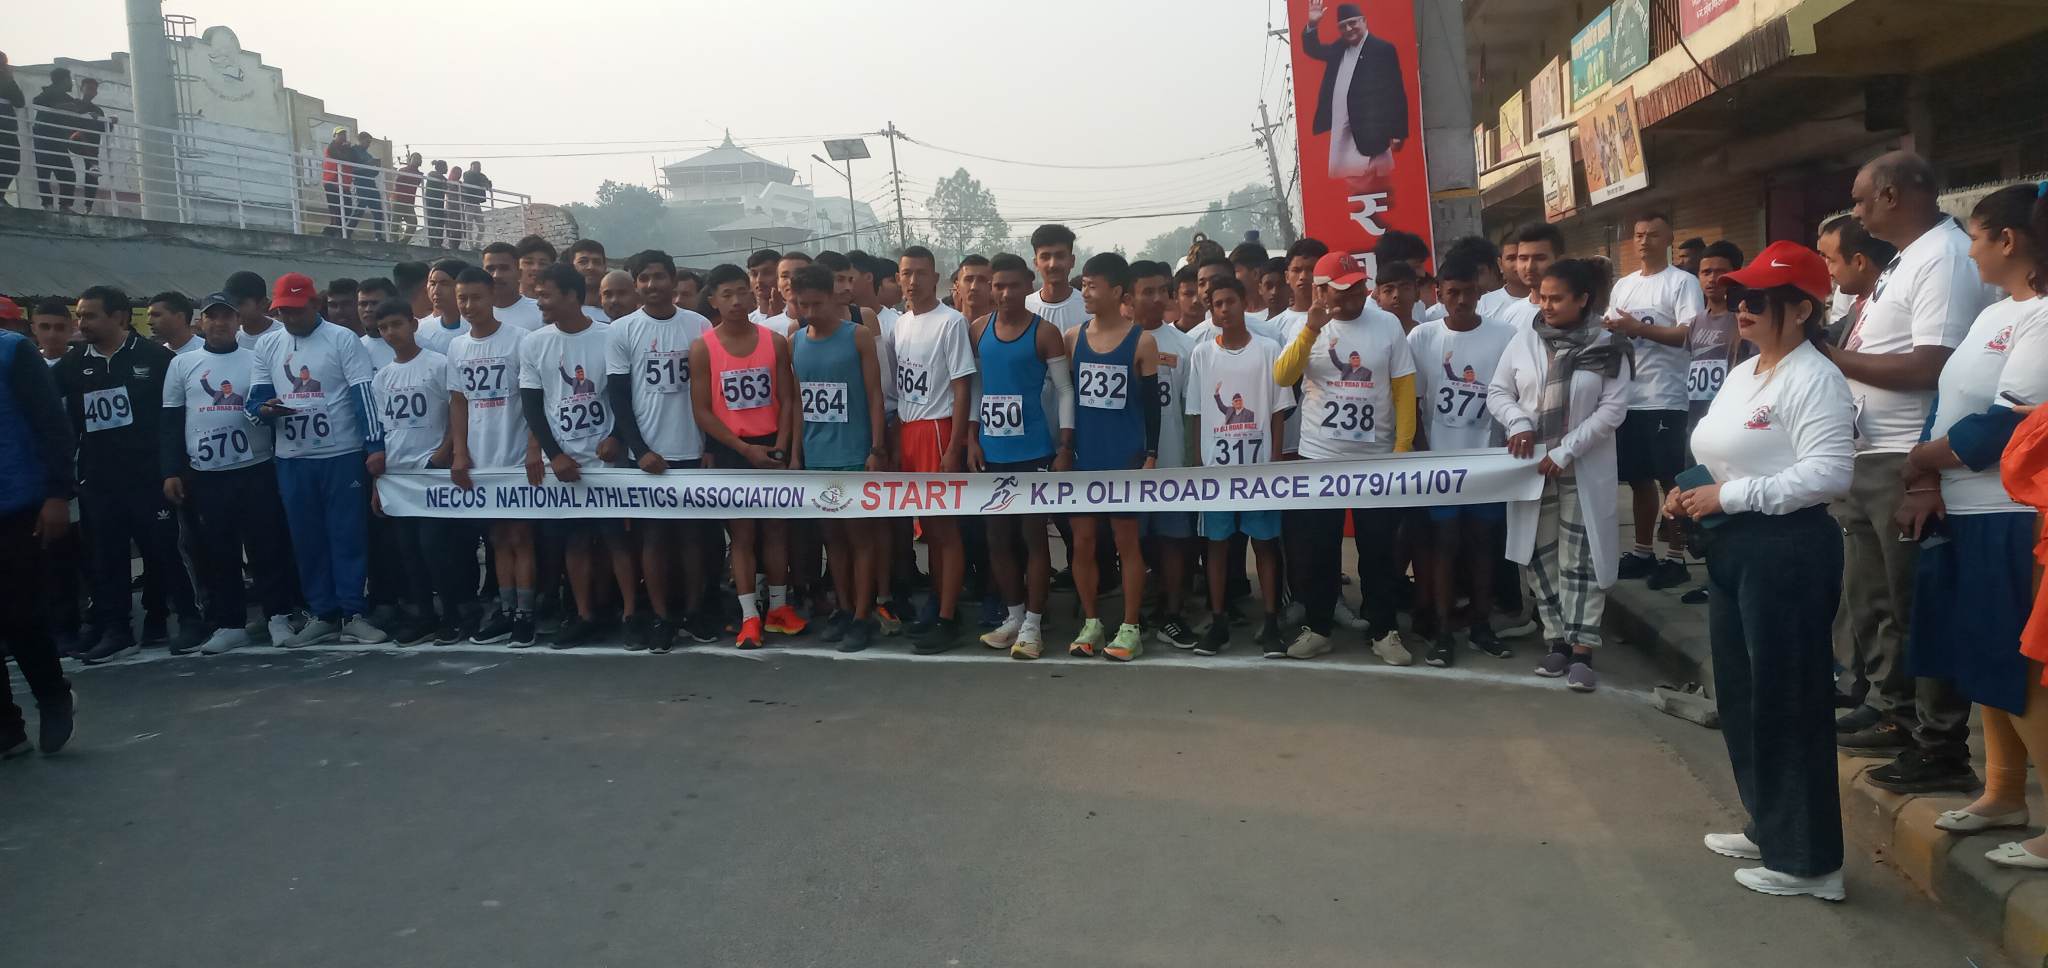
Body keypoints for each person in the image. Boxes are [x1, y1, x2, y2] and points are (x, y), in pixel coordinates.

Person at [1673, 240, 1857, 901]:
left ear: (1802, 310)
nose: (1740, 307)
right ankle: (1771, 825)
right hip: (1735, 546)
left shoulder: (1816, 378)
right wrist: (1691, 492)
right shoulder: (1747, 371)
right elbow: (1725, 451)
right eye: (1737, 296)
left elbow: (1829, 473)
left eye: (1757, 299)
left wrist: (1730, 495)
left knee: (1789, 699)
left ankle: (1811, 863)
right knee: (1744, 695)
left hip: (1788, 551)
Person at [1827, 151, 1998, 793]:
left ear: (1893, 195)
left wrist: (1832, 357)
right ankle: (1893, 712)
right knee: (1874, 600)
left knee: (1915, 603)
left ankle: (1938, 739)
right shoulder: (1906, 258)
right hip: (1870, 453)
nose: (1855, 210)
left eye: (1861, 197)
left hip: (1909, 457)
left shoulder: (1945, 258)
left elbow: (1934, 365)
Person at [1903, 188, 2048, 844]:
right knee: (1983, 662)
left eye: (1978, 237)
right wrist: (1925, 474)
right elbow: (1948, 401)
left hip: (2010, 515)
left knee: (2019, 668)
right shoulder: (1996, 312)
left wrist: (1920, 457)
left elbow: (2005, 428)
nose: (1970, 252)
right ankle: (2003, 795)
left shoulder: (2041, 318)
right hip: (1965, 509)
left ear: (2009, 240)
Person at [1487, 258, 1633, 693]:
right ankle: (1556, 641)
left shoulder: (1609, 344)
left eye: (1556, 299)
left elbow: (1613, 409)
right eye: (1543, 298)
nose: (1546, 306)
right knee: (1541, 554)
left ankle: (1583, 649)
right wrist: (1519, 423)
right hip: (1533, 466)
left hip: (1582, 465)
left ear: (1583, 299)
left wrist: (1567, 450)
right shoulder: (1524, 340)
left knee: (1580, 558)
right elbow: (1498, 391)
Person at [1276, 250, 1416, 663]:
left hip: (1375, 457)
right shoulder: (1306, 327)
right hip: (1321, 455)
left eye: (1357, 287)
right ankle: (1318, 627)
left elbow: (1404, 387)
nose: (1353, 296)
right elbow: (1283, 376)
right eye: (1342, 290)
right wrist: (1310, 330)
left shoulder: (1386, 324)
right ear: (1320, 291)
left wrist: (1402, 449)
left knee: (1378, 548)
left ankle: (1383, 630)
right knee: (1320, 548)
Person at [53, 285, 203, 661]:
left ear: (119, 317)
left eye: (90, 316)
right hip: (98, 480)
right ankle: (116, 629)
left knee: (166, 551)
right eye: (80, 316)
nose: (82, 323)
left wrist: (173, 469)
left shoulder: (156, 358)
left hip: (149, 477)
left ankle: (190, 618)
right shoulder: (73, 364)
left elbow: (175, 417)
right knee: (106, 558)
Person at [245, 272, 387, 647]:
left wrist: (374, 445)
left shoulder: (342, 339)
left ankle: (353, 612)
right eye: (283, 311)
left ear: (314, 304)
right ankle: (323, 613)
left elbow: (363, 394)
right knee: (306, 538)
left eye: (296, 309)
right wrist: (265, 411)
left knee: (346, 534)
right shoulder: (268, 345)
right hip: (292, 457)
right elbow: (254, 402)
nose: (290, 317)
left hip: (340, 453)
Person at [161, 291, 297, 654]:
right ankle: (230, 623)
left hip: (255, 469)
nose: (219, 323)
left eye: (226, 316)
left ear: (238, 321)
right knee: (217, 551)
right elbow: (171, 420)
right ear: (201, 322)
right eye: (212, 316)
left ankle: (278, 616)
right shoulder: (182, 364)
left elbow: (271, 405)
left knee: (267, 546)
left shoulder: (256, 360)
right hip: (207, 474)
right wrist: (171, 470)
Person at [514, 264, 634, 646]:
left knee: (617, 541)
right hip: (566, 463)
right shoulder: (534, 343)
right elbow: (532, 405)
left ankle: (631, 614)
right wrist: (554, 454)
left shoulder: (609, 336)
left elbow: (624, 394)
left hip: (608, 461)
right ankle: (584, 615)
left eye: (546, 295)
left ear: (571, 295)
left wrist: (617, 437)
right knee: (576, 541)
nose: (539, 302)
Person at [606, 249, 717, 650]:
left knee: (692, 537)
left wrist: (710, 446)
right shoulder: (622, 331)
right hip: (648, 455)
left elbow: (712, 390)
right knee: (653, 538)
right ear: (636, 285)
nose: (652, 285)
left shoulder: (699, 324)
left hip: (692, 446)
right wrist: (639, 450)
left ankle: (693, 610)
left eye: (659, 276)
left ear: (673, 280)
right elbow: (619, 398)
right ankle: (661, 616)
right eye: (644, 278)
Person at [1408, 256, 1517, 664]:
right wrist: (1423, 455)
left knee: (1483, 544)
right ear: (1439, 293)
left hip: (1487, 461)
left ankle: (1481, 624)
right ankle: (1442, 628)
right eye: (1452, 293)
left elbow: (1514, 394)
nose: (1461, 300)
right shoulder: (1423, 337)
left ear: (1479, 293)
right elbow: (1414, 402)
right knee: (1445, 543)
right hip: (1441, 463)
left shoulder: (1505, 335)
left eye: (1468, 292)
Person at [690, 262, 800, 649]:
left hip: (772, 446)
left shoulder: (775, 342)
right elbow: (703, 410)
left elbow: (787, 399)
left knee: (776, 530)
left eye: (742, 291)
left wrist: (781, 445)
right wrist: (743, 449)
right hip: (733, 450)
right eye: (727, 295)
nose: (737, 301)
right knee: (742, 534)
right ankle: (749, 616)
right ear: (713, 301)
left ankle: (779, 608)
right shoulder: (703, 347)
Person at [1063, 253, 1160, 661]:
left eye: (1093, 285)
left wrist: (1151, 455)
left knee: (1127, 543)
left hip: (1125, 459)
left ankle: (1130, 625)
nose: (1085, 292)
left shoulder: (1142, 341)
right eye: (1083, 284)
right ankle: (1091, 622)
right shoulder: (1072, 338)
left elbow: (1153, 407)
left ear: (1117, 290)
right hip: (1085, 457)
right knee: (1083, 542)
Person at [788, 264, 889, 651]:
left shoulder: (857, 336)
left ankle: (864, 615)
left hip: (854, 453)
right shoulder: (795, 342)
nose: (810, 311)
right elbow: (798, 403)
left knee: (860, 538)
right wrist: (796, 455)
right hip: (817, 456)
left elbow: (875, 395)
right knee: (833, 540)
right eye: (803, 305)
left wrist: (876, 448)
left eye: (816, 303)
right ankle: (844, 609)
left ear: (832, 297)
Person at [1605, 213, 1708, 591]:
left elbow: (1688, 335)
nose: (1644, 241)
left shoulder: (1682, 282)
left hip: (1666, 395)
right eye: (1638, 234)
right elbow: (1612, 329)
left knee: (1671, 479)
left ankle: (1676, 557)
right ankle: (1642, 550)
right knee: (1638, 479)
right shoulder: (1624, 285)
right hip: (1629, 397)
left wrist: (1638, 328)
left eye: (1652, 234)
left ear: (1668, 239)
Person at [1186, 276, 1289, 655]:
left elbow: (1278, 410)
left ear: (1244, 303)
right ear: (1211, 311)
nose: (1224, 309)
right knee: (1217, 546)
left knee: (1264, 544)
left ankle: (1272, 621)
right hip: (1218, 471)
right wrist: (1199, 463)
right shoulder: (1202, 354)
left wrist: (1274, 458)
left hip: (1258, 468)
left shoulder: (1268, 349)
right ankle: (1218, 622)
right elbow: (1197, 412)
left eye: (1230, 301)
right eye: (1217, 304)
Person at [363, 299, 468, 645]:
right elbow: (385, 431)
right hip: (398, 476)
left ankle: (453, 614)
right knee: (408, 552)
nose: (391, 333)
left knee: (435, 547)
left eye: (397, 324)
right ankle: (424, 615)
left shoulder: (438, 364)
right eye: (384, 328)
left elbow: (457, 412)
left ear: (413, 324)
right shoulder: (382, 378)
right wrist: (378, 484)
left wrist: (443, 454)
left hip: (431, 472)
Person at [890, 245, 977, 652]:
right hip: (909, 430)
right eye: (906, 273)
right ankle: (938, 604)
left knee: (945, 529)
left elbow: (962, 388)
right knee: (927, 529)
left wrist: (955, 445)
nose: (912, 281)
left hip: (938, 430)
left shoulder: (951, 322)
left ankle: (946, 614)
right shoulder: (900, 324)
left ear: (935, 277)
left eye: (920, 273)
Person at [446, 267, 537, 647]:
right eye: (462, 298)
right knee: (497, 537)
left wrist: (533, 447)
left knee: (521, 535)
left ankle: (526, 615)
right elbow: (458, 402)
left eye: (476, 297)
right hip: (481, 459)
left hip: (515, 455)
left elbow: (534, 400)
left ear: (492, 297)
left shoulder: (520, 339)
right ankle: (506, 608)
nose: (469, 305)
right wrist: (460, 452)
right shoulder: (457, 347)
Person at [0, 314, 77, 757]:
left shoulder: (12, 351)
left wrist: (57, 494)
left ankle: (53, 695)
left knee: (20, 614)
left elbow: (53, 425)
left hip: (18, 503)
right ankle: (7, 729)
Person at [1130, 260, 1200, 648]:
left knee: (1173, 540)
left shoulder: (1184, 346)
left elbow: (1192, 410)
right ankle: (1134, 614)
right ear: (1129, 296)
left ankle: (1172, 615)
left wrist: (1192, 462)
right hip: (1128, 465)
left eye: (1163, 290)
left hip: (1172, 464)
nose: (1157, 298)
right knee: (1133, 542)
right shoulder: (1115, 342)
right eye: (1148, 291)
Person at [1300, 0, 1407, 190]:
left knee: (1378, 183)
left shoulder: (1382, 49)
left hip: (1372, 129)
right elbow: (1313, 49)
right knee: (1346, 185)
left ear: (1364, 21)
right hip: (1342, 129)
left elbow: (1395, 91)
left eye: (1352, 23)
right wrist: (1313, 24)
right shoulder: (1339, 48)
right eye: (1343, 26)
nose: (1348, 29)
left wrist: (1398, 132)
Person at [31, 68, 82, 212]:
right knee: (44, 172)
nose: (71, 83)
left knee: (68, 174)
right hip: (44, 138)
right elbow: (36, 101)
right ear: (64, 80)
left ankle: (64, 205)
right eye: (70, 79)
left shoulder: (66, 97)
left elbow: (78, 109)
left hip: (59, 140)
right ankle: (48, 204)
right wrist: (59, 107)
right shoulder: (49, 92)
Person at [1502, 224, 1565, 329]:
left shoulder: (1576, 312)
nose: (1529, 267)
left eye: (1540, 258)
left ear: (1560, 261)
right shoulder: (1510, 314)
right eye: (1523, 258)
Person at [1026, 224, 1087, 331]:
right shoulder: (1024, 307)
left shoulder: (1089, 309)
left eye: (1060, 256)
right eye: (1045, 257)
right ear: (1036, 263)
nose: (1053, 264)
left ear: (1072, 261)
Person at [481, 242, 543, 332]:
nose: (496, 275)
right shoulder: (471, 313)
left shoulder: (541, 312)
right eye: (490, 269)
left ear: (519, 273)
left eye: (504, 268)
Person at [416, 258, 472, 355]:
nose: (436, 291)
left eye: (444, 284)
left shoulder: (478, 328)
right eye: (433, 283)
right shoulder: (421, 331)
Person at [355, 277, 401, 372]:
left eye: (375, 303)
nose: (368, 309)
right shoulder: (355, 347)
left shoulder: (417, 345)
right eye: (363, 304)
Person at [225, 270, 278, 349]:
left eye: (240, 303)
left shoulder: (284, 335)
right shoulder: (228, 338)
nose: (234, 309)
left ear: (263, 303)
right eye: (230, 303)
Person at [347, 132, 385, 241]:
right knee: (360, 207)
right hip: (360, 182)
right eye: (367, 142)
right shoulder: (353, 151)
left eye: (370, 142)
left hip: (370, 183)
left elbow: (373, 173)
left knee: (378, 210)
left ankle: (378, 236)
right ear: (361, 140)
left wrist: (376, 167)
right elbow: (352, 169)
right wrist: (368, 165)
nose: (368, 144)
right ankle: (348, 231)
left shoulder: (368, 155)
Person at [565, 239, 612, 322]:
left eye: (597, 262)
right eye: (583, 262)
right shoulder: (561, 309)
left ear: (605, 267)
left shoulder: (616, 308)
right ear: (571, 266)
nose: (590, 267)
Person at [0, 52, 24, 206]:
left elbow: (19, 101)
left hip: (7, 129)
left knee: (13, 163)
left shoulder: (6, 80)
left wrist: (10, 79)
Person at [320, 127, 352, 236]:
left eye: (344, 134)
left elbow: (349, 158)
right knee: (335, 209)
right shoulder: (332, 147)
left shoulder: (345, 149)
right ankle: (334, 231)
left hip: (343, 184)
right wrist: (347, 148)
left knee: (347, 209)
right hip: (331, 182)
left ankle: (335, 231)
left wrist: (347, 149)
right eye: (340, 135)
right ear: (334, 136)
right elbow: (341, 157)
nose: (343, 137)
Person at [149, 291, 202, 355]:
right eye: (149, 316)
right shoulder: (156, 354)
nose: (149, 322)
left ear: (180, 317)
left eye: (156, 315)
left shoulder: (205, 350)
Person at [1230, 241, 1271, 320]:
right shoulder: (1227, 313)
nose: (1230, 277)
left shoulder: (1278, 314)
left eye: (1235, 271)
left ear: (1255, 274)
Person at [745, 248, 784, 323]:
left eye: (767, 273)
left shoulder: (797, 318)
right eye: (754, 274)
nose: (759, 280)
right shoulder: (747, 322)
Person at [392, 153, 423, 245]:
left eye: (419, 159)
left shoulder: (419, 174)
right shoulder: (403, 170)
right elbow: (396, 183)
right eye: (415, 158)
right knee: (395, 222)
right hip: (398, 200)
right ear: (410, 160)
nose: (417, 160)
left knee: (413, 223)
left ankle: (403, 242)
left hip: (409, 203)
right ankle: (394, 241)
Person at [516, 236, 558, 301]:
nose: (536, 268)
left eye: (542, 263)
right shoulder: (505, 301)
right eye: (528, 262)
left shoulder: (559, 302)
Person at [30, 297, 72, 363]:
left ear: (71, 329)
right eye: (44, 327)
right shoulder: (26, 362)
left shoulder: (84, 361)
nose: (51, 335)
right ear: (33, 329)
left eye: (59, 328)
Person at [461, 162, 491, 247]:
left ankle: (477, 245)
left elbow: (488, 182)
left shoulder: (481, 175)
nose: (478, 169)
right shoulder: (467, 174)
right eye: (475, 167)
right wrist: (482, 183)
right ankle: (470, 246)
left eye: (479, 167)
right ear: (471, 167)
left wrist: (487, 184)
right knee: (469, 227)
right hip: (468, 203)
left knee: (482, 227)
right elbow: (471, 181)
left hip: (477, 203)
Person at [422, 160, 450, 248]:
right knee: (433, 222)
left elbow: (447, 186)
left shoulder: (442, 178)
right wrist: (443, 180)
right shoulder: (432, 174)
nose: (447, 169)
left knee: (440, 222)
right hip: (432, 203)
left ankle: (438, 243)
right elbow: (432, 175)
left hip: (439, 203)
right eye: (445, 167)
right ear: (440, 167)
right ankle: (433, 243)